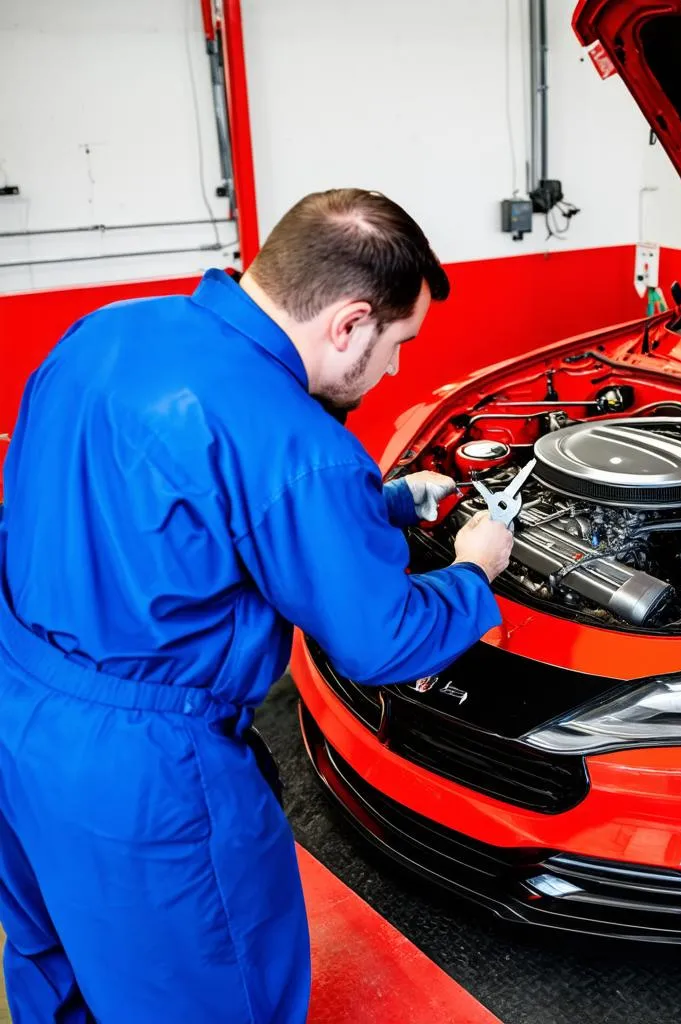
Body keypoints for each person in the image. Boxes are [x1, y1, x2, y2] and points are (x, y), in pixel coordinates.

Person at [0, 188, 514, 1023]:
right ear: (350, 322)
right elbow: (383, 641)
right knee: (213, 991)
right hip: (142, 772)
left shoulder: (109, 332)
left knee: (57, 965)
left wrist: (378, 503)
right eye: (396, 344)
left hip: (19, 711)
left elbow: (181, 515)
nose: (394, 371)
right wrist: (471, 571)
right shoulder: (300, 443)